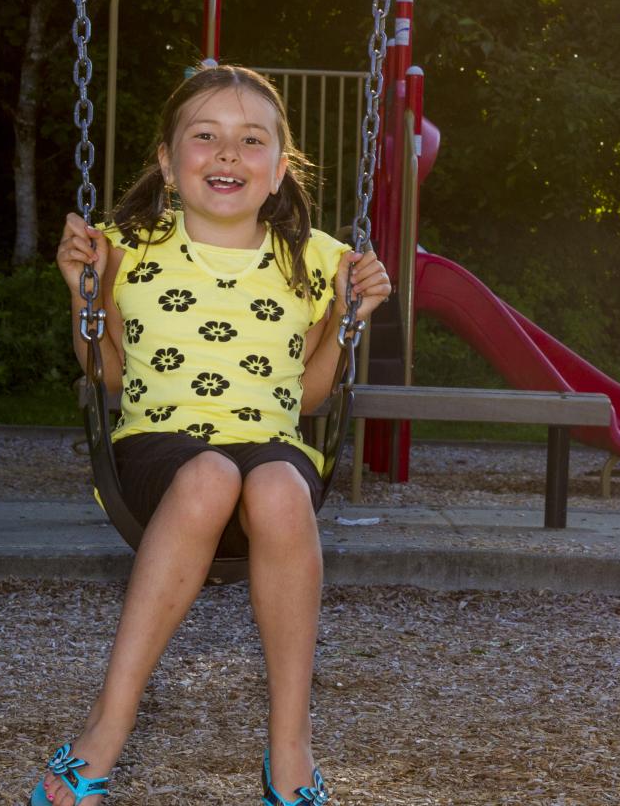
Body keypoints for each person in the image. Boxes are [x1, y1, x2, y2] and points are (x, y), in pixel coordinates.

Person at [36, 63, 391, 806]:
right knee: (210, 476)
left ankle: (290, 748)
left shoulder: (320, 261)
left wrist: (350, 322)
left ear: (278, 171)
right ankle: (108, 725)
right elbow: (106, 373)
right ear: (169, 163)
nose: (227, 154)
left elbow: (312, 392)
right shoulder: (125, 246)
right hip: (159, 450)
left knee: (279, 486)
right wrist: (83, 296)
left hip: (270, 441)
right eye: (206, 136)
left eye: (250, 140)